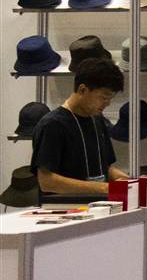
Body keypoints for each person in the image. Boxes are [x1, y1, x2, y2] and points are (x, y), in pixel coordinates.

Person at [31, 57, 129, 200]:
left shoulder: (97, 120)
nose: (107, 103)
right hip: (64, 211)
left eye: (110, 98)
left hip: (99, 207)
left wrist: (128, 180)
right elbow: (47, 182)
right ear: (83, 89)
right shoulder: (52, 125)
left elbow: (104, 168)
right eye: (104, 97)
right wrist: (104, 188)